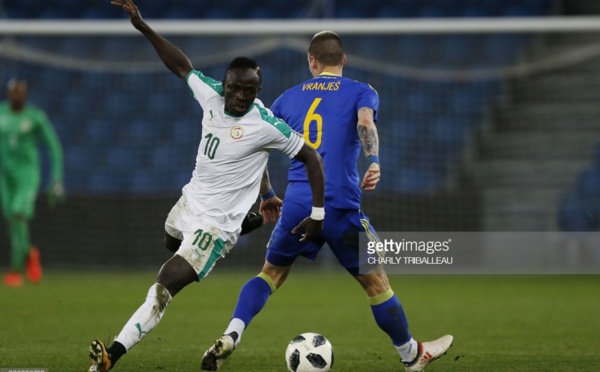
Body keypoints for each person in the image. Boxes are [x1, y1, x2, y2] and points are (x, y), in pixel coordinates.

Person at [88, 1, 325, 371]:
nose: (239, 97)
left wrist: (317, 212)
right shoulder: (210, 94)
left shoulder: (266, 125)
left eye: (248, 91)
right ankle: (245, 223)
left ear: (257, 89)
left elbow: (312, 157)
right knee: (169, 241)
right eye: (235, 88)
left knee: (165, 284)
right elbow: (180, 65)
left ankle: (111, 355)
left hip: (214, 226)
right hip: (188, 204)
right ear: (226, 83)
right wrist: (142, 26)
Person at [200, 31, 453, 372]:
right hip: (339, 205)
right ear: (343, 60)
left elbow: (256, 150)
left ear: (312, 61)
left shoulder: (286, 100)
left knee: (270, 274)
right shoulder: (362, 91)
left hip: (297, 203)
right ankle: (411, 354)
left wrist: (266, 194)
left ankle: (233, 332)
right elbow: (365, 123)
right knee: (376, 283)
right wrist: (374, 160)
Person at [0, 78, 65, 287]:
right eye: (14, 92)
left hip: (27, 175)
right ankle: (30, 254)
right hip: (4, 176)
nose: (17, 95)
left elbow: (53, 146)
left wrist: (56, 178)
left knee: (19, 214)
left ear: (25, 95)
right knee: (12, 221)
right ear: (9, 94)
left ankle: (15, 270)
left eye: (21, 92)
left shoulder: (35, 117)